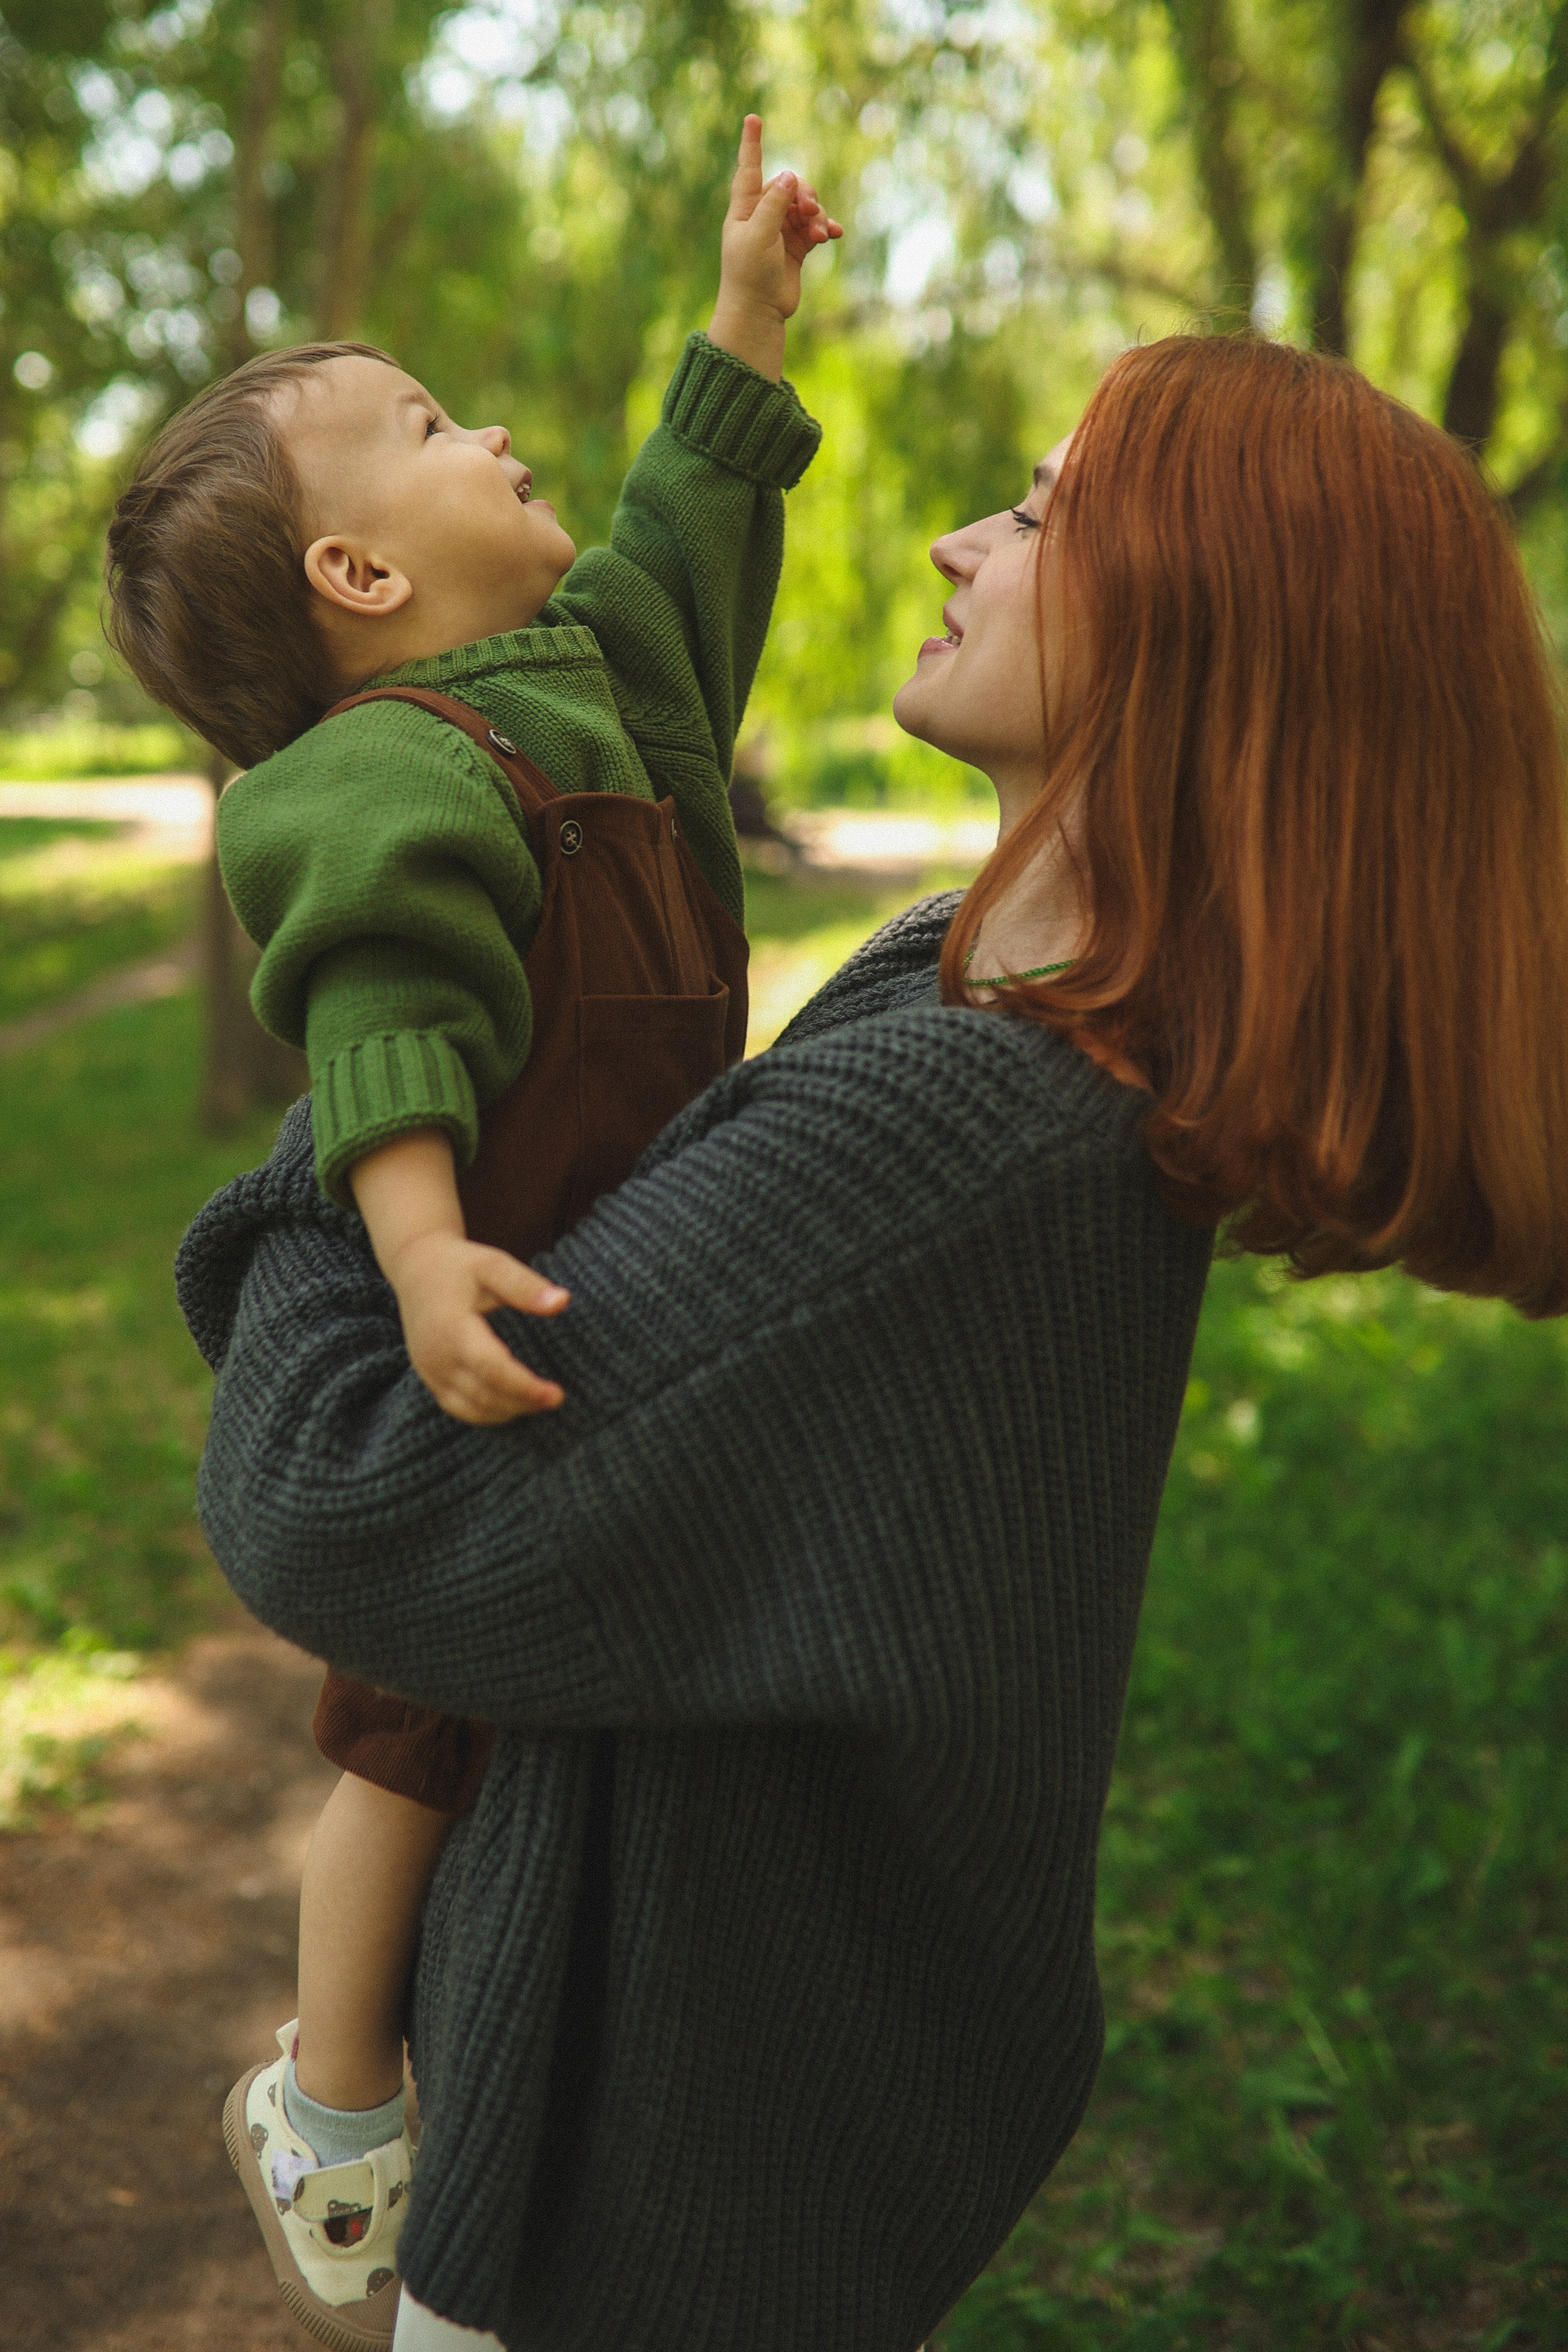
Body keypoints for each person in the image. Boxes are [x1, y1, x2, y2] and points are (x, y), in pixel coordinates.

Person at [175, 332, 1568, 2352]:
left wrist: (380, 1100)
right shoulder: (966, 978)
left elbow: (346, 1504)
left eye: (1032, 510)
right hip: (710, 2134)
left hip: (658, 2200)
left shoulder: (974, 1124)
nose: (948, 538)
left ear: (1204, 620)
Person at [107, 118, 840, 2348]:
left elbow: (682, 537)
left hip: (630, 1304)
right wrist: (419, 1257)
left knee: (507, 1740)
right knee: (407, 1738)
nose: (491, 424)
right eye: (429, 427)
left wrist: (744, 328)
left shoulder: (607, 672)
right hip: (505, 1315)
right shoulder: (384, 779)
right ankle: (329, 2096)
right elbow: (384, 1018)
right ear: (357, 583)